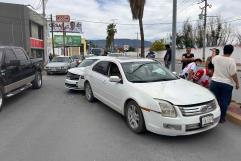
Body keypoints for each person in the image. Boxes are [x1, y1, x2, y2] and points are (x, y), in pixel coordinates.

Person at [210, 44, 240, 123]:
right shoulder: (231, 60)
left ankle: (212, 117)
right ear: (231, 52)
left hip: (215, 82)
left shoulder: (216, 58)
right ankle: (221, 118)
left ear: (223, 50)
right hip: (226, 84)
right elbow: (233, 74)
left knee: (214, 100)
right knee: (224, 101)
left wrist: (213, 51)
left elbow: (212, 58)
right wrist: (237, 83)